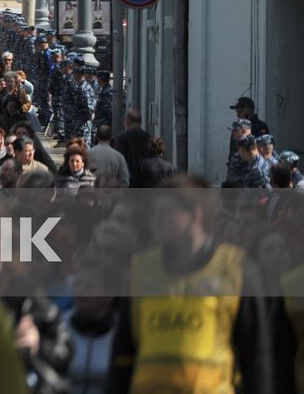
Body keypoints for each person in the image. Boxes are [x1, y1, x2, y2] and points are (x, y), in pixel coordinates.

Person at [108, 175, 272, 393]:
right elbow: (123, 354)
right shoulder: (141, 270)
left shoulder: (237, 270)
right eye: (154, 212)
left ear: (195, 215)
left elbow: (256, 359)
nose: (155, 220)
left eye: (165, 213)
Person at [112, 110, 154, 187]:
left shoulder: (121, 137)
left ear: (127, 122)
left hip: (127, 181)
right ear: (140, 122)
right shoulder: (147, 137)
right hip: (145, 181)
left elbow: (117, 160)